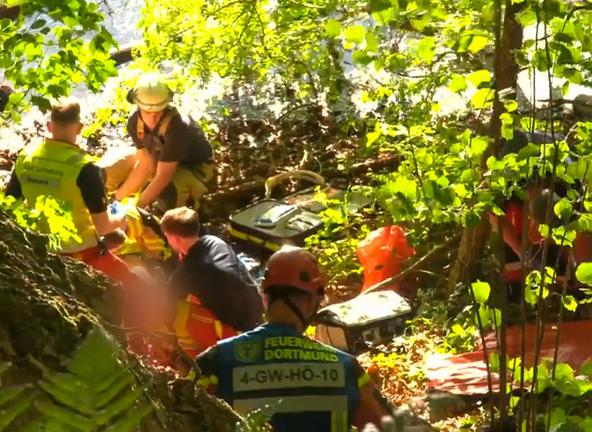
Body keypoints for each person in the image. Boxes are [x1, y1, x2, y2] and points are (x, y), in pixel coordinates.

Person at [194, 247, 392, 431]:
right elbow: (389, 425)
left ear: (264, 297)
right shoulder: (345, 368)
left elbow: (177, 413)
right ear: (311, 301)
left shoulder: (218, 360)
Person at [5, 99, 130, 283]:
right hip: (82, 255)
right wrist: (121, 220)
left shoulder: (27, 158)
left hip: (38, 250)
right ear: (79, 128)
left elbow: (9, 205)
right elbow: (103, 227)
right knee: (133, 284)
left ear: (49, 126)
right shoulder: (86, 169)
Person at [161, 207, 264, 357]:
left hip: (236, 328)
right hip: (255, 310)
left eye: (167, 237)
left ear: (175, 238)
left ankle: (196, 353)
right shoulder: (216, 242)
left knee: (180, 311)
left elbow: (168, 309)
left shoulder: (184, 276)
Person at [112, 73, 214, 211]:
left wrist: (135, 210)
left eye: (158, 112)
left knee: (168, 193)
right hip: (160, 158)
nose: (153, 118)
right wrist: (116, 201)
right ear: (138, 106)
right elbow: (145, 165)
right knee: (110, 170)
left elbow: (163, 176)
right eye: (148, 112)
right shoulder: (134, 122)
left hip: (193, 166)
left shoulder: (177, 126)